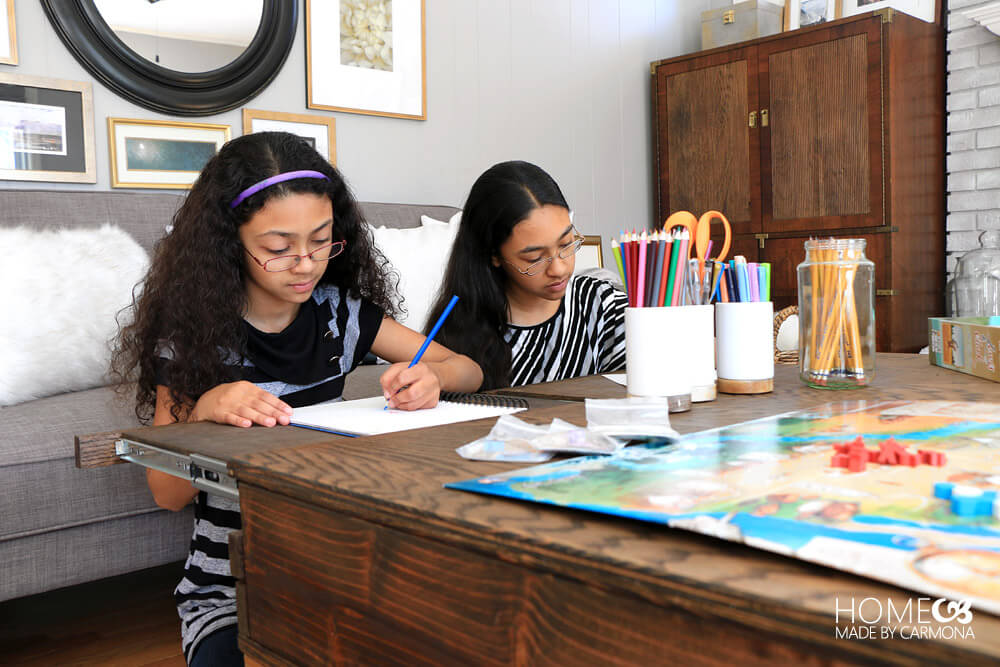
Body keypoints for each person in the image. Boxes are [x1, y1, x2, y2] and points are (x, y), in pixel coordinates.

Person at [111, 131, 482, 666]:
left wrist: (429, 376)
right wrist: (206, 409)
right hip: (231, 588)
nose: (305, 264)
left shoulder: (340, 315)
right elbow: (166, 492)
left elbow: (467, 368)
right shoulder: (193, 335)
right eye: (279, 249)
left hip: (336, 566)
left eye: (322, 241)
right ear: (228, 242)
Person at [426, 160, 626, 391]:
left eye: (566, 244)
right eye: (535, 259)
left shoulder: (604, 305)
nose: (559, 269)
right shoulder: (458, 332)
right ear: (494, 255)